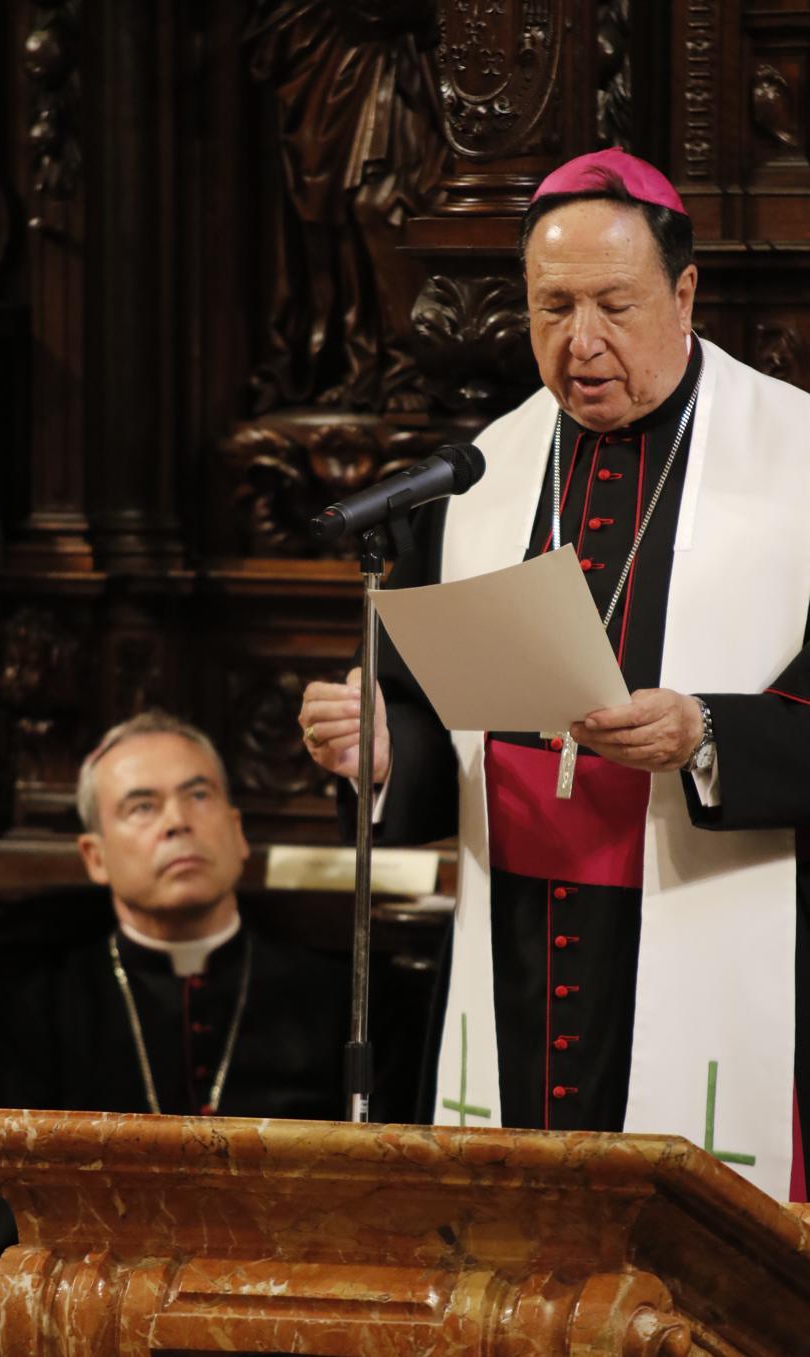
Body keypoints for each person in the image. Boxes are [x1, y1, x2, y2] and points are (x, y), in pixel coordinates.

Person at [299, 147, 810, 1203]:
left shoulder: (798, 455)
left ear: (683, 294)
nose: (581, 345)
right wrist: (388, 750)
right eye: (551, 307)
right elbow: (437, 717)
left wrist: (707, 731)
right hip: (523, 938)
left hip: (730, 913)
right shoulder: (480, 472)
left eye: (614, 306)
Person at [0, 710, 400, 1298]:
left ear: (238, 833)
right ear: (95, 856)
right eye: (141, 807)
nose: (177, 823)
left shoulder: (350, 1000)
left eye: (198, 795)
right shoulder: (33, 1010)